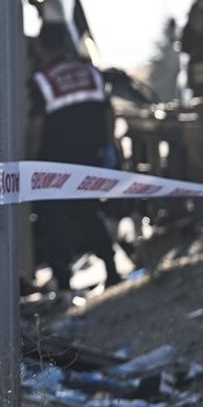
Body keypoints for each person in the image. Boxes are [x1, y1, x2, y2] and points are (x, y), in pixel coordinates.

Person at [25, 22, 125, 291]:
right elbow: (108, 113)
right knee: (88, 213)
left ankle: (63, 281)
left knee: (54, 219)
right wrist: (108, 146)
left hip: (54, 163)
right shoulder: (90, 73)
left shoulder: (42, 80)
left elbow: (36, 127)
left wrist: (29, 163)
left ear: (41, 46)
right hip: (89, 157)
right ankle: (112, 269)